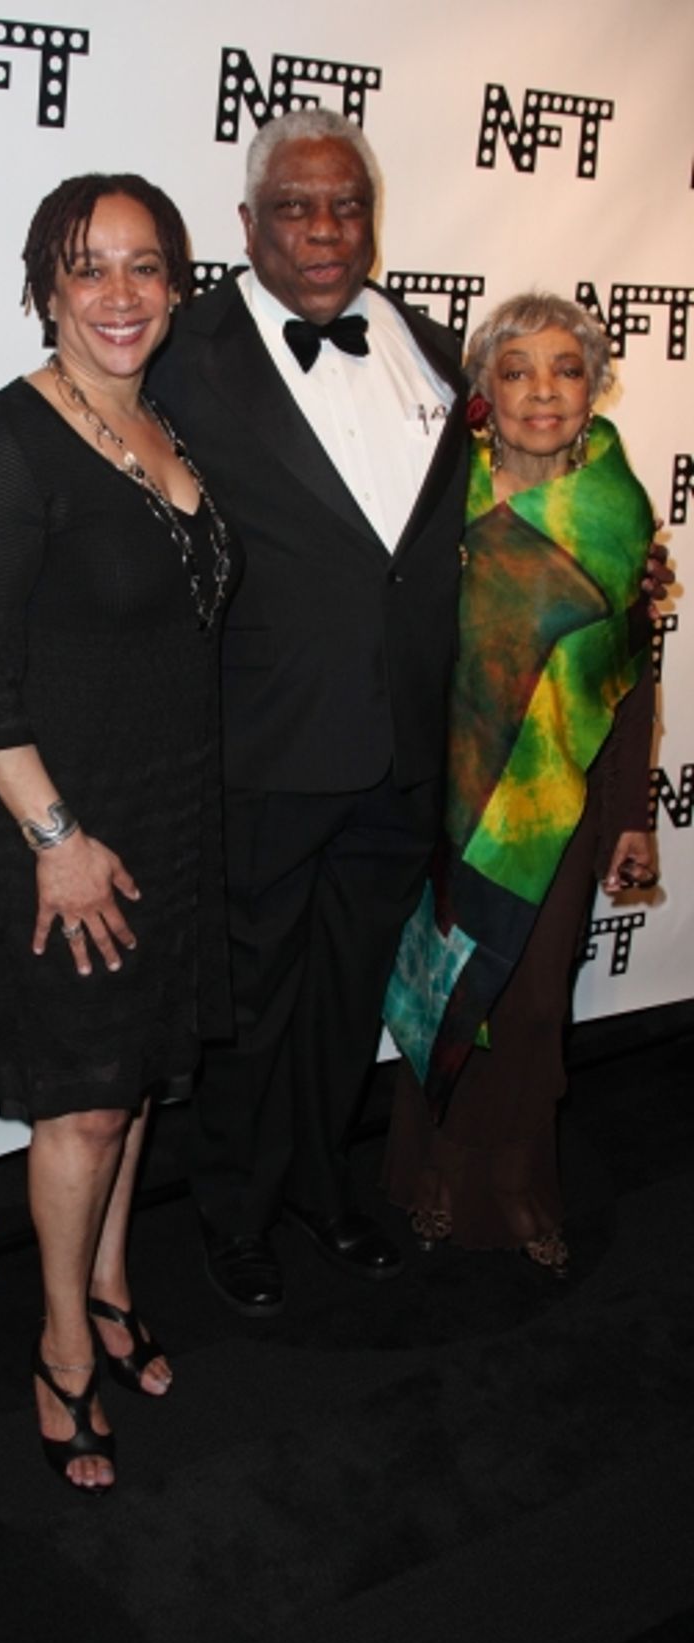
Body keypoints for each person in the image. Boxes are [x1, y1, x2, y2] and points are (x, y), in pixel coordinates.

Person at [0, 175, 235, 1491]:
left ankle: (108, 1284)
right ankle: (59, 1353)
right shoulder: (4, 442)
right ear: (46, 284)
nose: (119, 293)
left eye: (145, 266)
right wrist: (55, 834)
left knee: (136, 1079)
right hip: (62, 833)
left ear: (175, 284)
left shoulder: (163, 421)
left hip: (168, 809)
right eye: (88, 267)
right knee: (84, 1109)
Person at [148, 109, 470, 1311]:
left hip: (401, 746)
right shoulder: (183, 353)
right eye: (295, 207)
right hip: (266, 744)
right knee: (253, 997)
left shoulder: (433, 345)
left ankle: (322, 1187)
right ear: (247, 225)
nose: (325, 230)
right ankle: (233, 1212)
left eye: (346, 206)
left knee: (347, 990)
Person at [382, 293, 657, 1275]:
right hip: (439, 797)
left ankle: (521, 1189)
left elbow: (629, 678)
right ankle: (432, 1180)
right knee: (447, 993)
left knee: (534, 1005)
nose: (544, 391)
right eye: (518, 369)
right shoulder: (437, 494)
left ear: (593, 388)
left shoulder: (616, 515)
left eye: (567, 369)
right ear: (483, 390)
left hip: (553, 812)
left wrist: (631, 817)